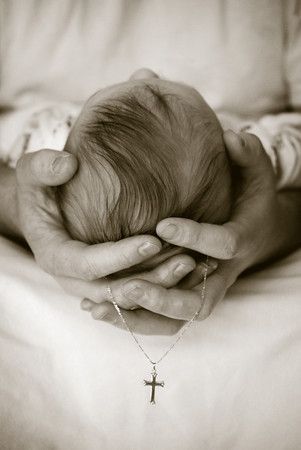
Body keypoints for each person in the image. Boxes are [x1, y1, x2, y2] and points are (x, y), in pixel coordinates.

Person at [1, 1, 301, 336]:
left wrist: (278, 224)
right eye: (159, 89)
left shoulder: (46, 133)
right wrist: (271, 158)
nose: (145, 71)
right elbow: (293, 143)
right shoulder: (252, 144)